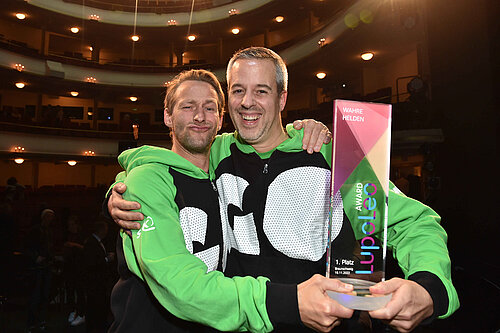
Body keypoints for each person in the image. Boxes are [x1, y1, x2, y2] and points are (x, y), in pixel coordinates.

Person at [109, 47, 459, 332]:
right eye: (237, 90)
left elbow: (413, 222)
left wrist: (428, 287)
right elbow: (164, 163)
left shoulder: (335, 154)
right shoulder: (214, 152)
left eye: (261, 90)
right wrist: (119, 191)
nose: (247, 102)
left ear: (282, 97)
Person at [108, 69, 353, 333]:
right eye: (188, 106)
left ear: (221, 118)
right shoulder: (148, 178)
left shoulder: (220, 165)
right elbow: (178, 284)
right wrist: (286, 302)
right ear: (168, 116)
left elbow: (271, 135)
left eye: (209, 108)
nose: (200, 116)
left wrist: (304, 131)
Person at [83, 217, 114, 332]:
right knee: (94, 304)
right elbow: (91, 262)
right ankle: (95, 327)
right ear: (100, 230)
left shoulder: (98, 242)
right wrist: (106, 259)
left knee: (98, 304)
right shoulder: (91, 243)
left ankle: (98, 325)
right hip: (94, 280)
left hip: (99, 280)